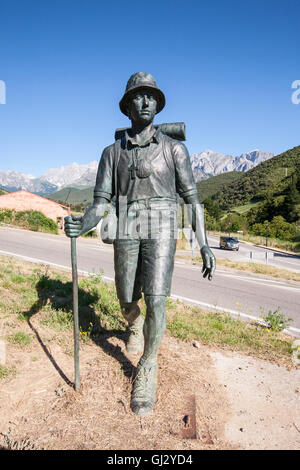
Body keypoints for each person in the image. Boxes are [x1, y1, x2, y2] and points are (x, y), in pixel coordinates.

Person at [64, 72, 216, 415]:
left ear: (158, 104)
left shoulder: (175, 149)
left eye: (151, 96)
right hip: (125, 222)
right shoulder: (111, 153)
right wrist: (82, 225)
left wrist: (202, 243)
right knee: (126, 296)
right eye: (138, 96)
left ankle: (148, 365)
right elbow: (101, 203)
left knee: (158, 299)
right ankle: (133, 324)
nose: (145, 101)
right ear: (126, 105)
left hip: (162, 223)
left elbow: (191, 200)